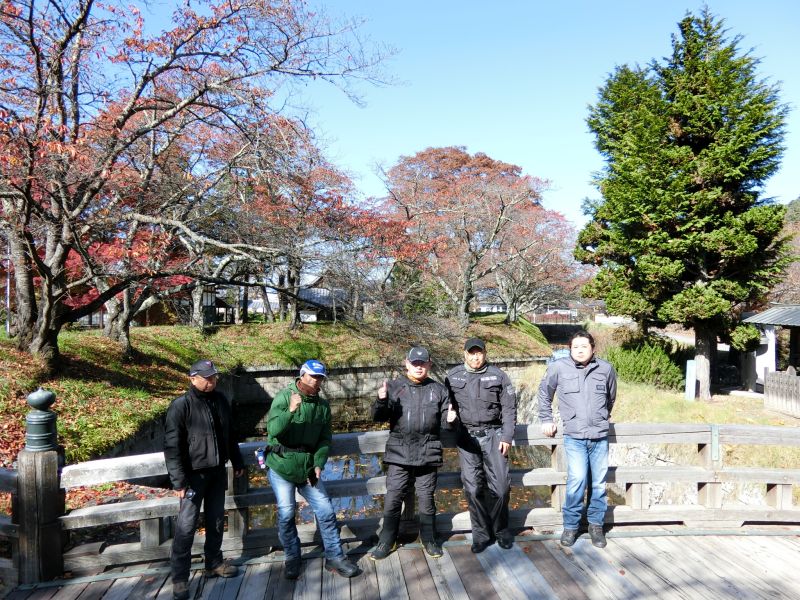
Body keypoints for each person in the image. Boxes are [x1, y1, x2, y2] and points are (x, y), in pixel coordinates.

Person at [265, 359, 359, 580]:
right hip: (281, 465)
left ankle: (335, 557)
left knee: (326, 511)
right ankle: (292, 557)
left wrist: (318, 463)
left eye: (320, 378)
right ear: (302, 375)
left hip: (307, 467)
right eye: (312, 376)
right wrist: (290, 410)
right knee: (287, 513)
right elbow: (273, 430)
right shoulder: (284, 397)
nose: (316, 381)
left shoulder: (322, 406)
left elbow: (325, 439)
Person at [164, 359, 245, 600]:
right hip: (192, 476)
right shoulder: (181, 406)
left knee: (216, 520)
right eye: (207, 378)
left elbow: (230, 433)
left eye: (214, 377)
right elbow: (172, 446)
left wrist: (237, 461)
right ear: (193, 379)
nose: (212, 381)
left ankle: (214, 562)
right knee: (186, 527)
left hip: (217, 472)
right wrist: (178, 480)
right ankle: (180, 578)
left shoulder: (220, 400)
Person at [369, 346, 456, 560]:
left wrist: (451, 421)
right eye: (414, 363)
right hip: (399, 453)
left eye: (422, 363)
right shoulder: (394, 387)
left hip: (428, 452)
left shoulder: (439, 390)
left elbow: (446, 424)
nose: (419, 367)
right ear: (406, 364)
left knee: (427, 498)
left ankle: (429, 538)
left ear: (429, 365)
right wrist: (381, 400)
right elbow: (378, 417)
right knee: (393, 497)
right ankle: (386, 539)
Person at [538, 330, 617, 549]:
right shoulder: (558, 368)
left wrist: (601, 417)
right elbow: (544, 393)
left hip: (599, 436)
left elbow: (611, 398)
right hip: (574, 436)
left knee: (598, 483)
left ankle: (595, 526)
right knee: (577, 481)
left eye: (584, 346)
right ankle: (571, 526)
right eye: (575, 347)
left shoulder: (605, 369)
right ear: (569, 349)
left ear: (593, 348)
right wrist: (546, 419)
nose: (580, 350)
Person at [445, 338, 517, 553]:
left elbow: (509, 409)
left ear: (485, 353)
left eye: (479, 353)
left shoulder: (498, 376)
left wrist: (507, 437)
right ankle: (481, 535)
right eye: (471, 353)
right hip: (466, 437)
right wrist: (448, 422)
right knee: (473, 488)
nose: (475, 357)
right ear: (464, 354)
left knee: (501, 488)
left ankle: (501, 530)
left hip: (494, 435)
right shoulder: (453, 376)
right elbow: (445, 408)